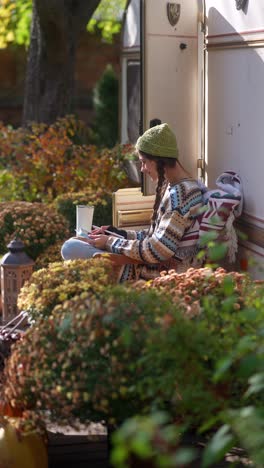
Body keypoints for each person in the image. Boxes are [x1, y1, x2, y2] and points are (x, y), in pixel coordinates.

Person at [61, 123, 204, 282]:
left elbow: (158, 250)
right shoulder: (176, 188)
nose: (142, 169)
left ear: (157, 160)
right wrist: (117, 233)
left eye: (143, 161)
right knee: (77, 241)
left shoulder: (181, 194)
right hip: (145, 263)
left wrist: (110, 242)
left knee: (71, 248)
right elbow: (154, 236)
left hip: (152, 272)